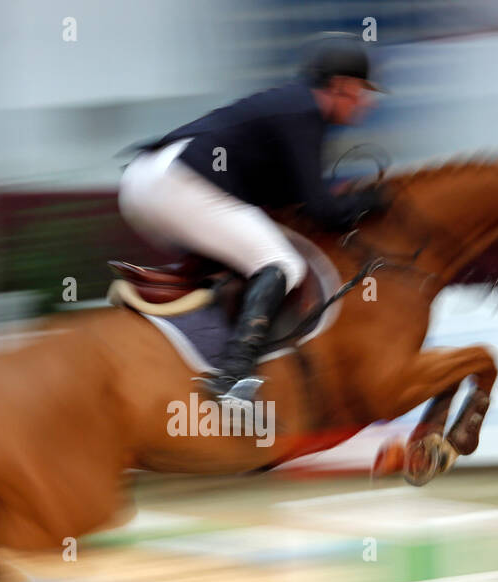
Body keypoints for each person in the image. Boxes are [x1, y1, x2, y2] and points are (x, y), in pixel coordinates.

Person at [118, 34, 388, 404]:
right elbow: (321, 210)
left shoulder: (294, 105)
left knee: (250, 255)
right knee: (281, 263)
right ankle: (233, 377)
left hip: (150, 179)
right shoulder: (305, 113)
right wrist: (372, 201)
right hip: (174, 182)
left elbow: (295, 199)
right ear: (341, 86)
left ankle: (198, 345)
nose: (367, 101)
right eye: (363, 90)